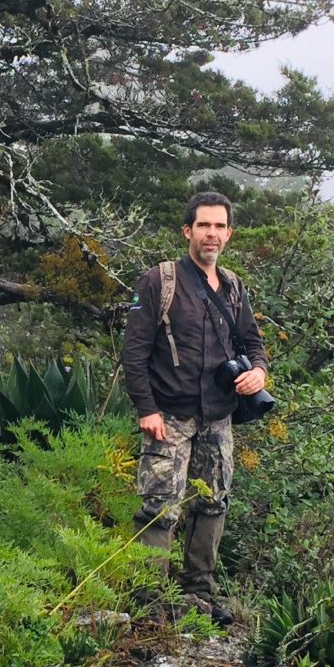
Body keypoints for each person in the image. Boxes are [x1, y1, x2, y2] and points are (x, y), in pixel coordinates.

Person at [118, 191, 269, 626]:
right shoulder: (159, 282)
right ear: (188, 231)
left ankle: (198, 594)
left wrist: (258, 371)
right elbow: (135, 352)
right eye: (204, 225)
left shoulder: (235, 286)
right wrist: (146, 409)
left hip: (218, 417)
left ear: (229, 233)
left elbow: (253, 343)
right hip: (169, 416)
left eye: (220, 226)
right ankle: (149, 602)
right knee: (159, 507)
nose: (212, 234)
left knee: (213, 503)